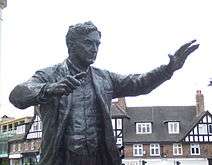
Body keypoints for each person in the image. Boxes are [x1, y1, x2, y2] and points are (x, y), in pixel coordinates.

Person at [9, 21, 199, 165]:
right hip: (62, 158)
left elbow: (139, 83)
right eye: (89, 43)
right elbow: (17, 95)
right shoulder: (49, 75)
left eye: (97, 44)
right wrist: (48, 89)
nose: (95, 49)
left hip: (99, 157)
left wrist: (168, 69)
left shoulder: (104, 78)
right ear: (72, 45)